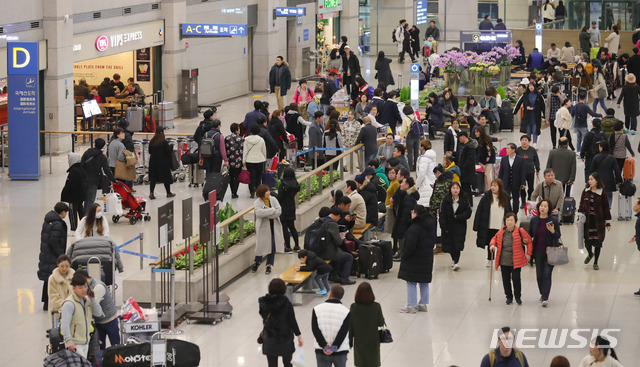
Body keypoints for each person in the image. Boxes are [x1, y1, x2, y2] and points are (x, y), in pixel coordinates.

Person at [490, 212, 532, 305]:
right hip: (504, 260)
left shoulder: (520, 231)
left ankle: (518, 296)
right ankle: (509, 296)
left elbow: (529, 241)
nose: (509, 222)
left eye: (511, 220)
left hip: (516, 260)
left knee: (516, 278)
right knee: (505, 280)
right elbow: (494, 239)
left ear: (515, 221)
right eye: (507, 220)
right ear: (505, 221)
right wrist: (492, 245)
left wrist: (528, 254)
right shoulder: (501, 232)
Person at [258, 278, 303, 367]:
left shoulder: (264, 302)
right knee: (287, 363)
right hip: (285, 338)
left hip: (269, 338)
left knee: (272, 365)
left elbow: (263, 315)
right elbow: (292, 320)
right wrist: (299, 335)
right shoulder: (286, 302)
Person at [398, 204, 434, 313]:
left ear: (416, 214)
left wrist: (404, 256)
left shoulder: (414, 228)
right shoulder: (430, 225)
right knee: (424, 281)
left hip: (414, 259)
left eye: (413, 212)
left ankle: (411, 305)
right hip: (427, 258)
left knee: (411, 281)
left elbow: (409, 246)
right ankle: (423, 304)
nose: (411, 214)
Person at [60, 272, 103, 358]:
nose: (84, 290)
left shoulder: (87, 301)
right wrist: (69, 341)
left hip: (85, 342)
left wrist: (93, 299)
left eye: (85, 287)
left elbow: (99, 313)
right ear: (74, 288)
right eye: (80, 288)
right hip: (75, 343)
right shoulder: (69, 304)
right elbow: (64, 325)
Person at [528, 200, 561, 307]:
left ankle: (545, 297)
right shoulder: (534, 220)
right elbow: (530, 235)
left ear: (549, 208)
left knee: (547, 274)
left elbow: (557, 236)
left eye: (545, 206)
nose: (543, 208)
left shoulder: (554, 220)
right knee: (539, 275)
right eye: (541, 206)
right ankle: (543, 293)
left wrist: (552, 231)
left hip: (551, 250)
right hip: (538, 250)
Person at [474, 179, 513, 266]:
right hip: (490, 224)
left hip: (501, 225)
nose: (493, 188)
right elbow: (479, 211)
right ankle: (490, 259)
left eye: (495, 186)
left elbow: (509, 212)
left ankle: (500, 259)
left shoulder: (505, 198)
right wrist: (476, 225)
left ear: (500, 187)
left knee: (502, 244)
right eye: (492, 185)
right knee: (490, 243)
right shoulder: (486, 197)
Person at [579, 172, 613, 271]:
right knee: (587, 243)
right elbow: (581, 205)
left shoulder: (602, 193)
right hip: (587, 221)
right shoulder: (585, 191)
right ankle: (590, 254)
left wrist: (608, 223)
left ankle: (595, 262)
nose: (589, 181)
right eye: (589, 179)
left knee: (598, 243)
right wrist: (579, 217)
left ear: (597, 181)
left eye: (591, 179)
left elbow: (606, 208)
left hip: (599, 221)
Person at [312, 284, 351, 366]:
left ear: (329, 294)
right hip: (340, 351)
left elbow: (315, 329)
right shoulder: (346, 312)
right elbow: (343, 332)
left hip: (322, 351)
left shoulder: (316, 309)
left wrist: (325, 346)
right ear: (341, 297)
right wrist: (334, 347)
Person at [80, 270, 120, 349]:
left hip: (109, 320)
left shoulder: (98, 286)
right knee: (99, 347)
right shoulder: (86, 287)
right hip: (98, 321)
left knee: (116, 347)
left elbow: (92, 304)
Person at [349, 282, 385, 367]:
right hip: (373, 340)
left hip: (359, 341)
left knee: (361, 362)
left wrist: (349, 342)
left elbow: (350, 326)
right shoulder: (376, 306)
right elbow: (381, 323)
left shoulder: (354, 307)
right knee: (373, 362)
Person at [317, 207, 356, 285]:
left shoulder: (318, 221)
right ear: (337, 216)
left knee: (339, 255)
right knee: (348, 256)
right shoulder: (332, 224)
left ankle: (333, 275)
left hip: (317, 250)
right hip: (326, 252)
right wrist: (341, 236)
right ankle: (345, 279)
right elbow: (338, 241)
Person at [251, 185, 284, 275]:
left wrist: (267, 212)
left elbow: (278, 211)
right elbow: (259, 213)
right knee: (260, 245)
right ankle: (257, 262)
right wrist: (272, 210)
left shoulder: (273, 199)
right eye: (266, 191)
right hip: (263, 227)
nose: (268, 193)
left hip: (273, 226)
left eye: (268, 190)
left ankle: (269, 265)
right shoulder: (257, 202)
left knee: (272, 246)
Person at [440, 182, 472, 270]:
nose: (455, 190)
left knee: (458, 244)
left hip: (460, 226)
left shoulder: (464, 199)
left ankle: (456, 262)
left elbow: (468, 212)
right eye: (453, 188)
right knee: (450, 245)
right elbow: (442, 215)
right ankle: (453, 259)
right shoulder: (445, 200)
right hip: (448, 226)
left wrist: (458, 216)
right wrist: (444, 227)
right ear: (450, 189)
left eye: (457, 188)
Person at [80, 138, 117, 213]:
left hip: (84, 179)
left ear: (94, 144)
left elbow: (81, 164)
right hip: (94, 180)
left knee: (85, 199)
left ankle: (84, 216)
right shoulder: (102, 157)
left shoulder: (87, 152)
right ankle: (87, 217)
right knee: (90, 200)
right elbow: (106, 170)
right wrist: (113, 179)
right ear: (103, 147)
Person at [589, 141, 621, 207]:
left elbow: (591, 170)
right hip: (610, 180)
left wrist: (590, 180)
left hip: (598, 180)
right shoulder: (612, 158)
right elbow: (617, 171)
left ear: (601, 148)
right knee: (609, 195)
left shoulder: (596, 157)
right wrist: (619, 181)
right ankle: (607, 209)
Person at [147, 126, 175, 199]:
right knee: (166, 178)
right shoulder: (164, 142)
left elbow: (149, 152)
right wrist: (171, 147)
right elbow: (169, 152)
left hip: (153, 162)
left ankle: (151, 193)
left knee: (153, 179)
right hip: (163, 163)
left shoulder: (152, 141)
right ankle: (168, 193)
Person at [277, 168, 301, 253]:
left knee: (284, 226)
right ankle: (297, 245)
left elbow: (280, 197)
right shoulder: (295, 183)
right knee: (292, 226)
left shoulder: (283, 184)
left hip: (284, 206)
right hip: (291, 205)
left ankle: (288, 246)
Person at [498, 143, 527, 212]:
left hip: (516, 182)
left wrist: (523, 182)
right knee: (506, 198)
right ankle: (508, 212)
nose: (506, 150)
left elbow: (523, 172)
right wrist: (499, 181)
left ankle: (515, 213)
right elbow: (501, 171)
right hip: (506, 182)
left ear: (513, 150)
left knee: (516, 199)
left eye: (508, 148)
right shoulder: (504, 159)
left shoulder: (520, 159)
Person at [60, 153, 85, 231]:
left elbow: (69, 185)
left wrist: (64, 195)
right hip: (81, 195)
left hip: (73, 196)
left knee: (72, 212)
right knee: (80, 210)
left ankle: (74, 228)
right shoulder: (81, 169)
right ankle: (84, 225)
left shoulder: (73, 171)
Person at [243, 124, 267, 198]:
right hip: (260, 160)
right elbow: (264, 150)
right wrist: (264, 158)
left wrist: (244, 161)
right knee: (258, 176)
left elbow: (245, 151)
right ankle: (258, 191)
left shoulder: (246, 140)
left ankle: (251, 191)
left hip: (249, 160)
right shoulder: (261, 139)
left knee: (251, 176)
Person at [517, 135, 540, 208]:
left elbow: (536, 160)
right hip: (520, 172)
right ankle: (523, 202)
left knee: (531, 187)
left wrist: (537, 169)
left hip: (530, 171)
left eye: (526, 140)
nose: (524, 142)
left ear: (529, 142)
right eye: (522, 140)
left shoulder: (532, 150)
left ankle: (529, 200)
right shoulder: (518, 150)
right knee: (522, 187)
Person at [457, 132, 479, 203]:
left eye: (459, 138)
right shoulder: (460, 145)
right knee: (463, 187)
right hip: (461, 169)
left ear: (463, 137)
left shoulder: (470, 147)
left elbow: (470, 160)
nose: (459, 140)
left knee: (467, 188)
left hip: (467, 171)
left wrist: (462, 167)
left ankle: (469, 203)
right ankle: (465, 202)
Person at [225, 123, 244, 199]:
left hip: (230, 161)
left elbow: (226, 150)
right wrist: (241, 161)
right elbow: (242, 151)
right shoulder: (240, 139)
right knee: (236, 177)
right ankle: (235, 192)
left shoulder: (227, 138)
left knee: (231, 176)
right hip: (238, 161)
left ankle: (232, 190)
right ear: (237, 130)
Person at [415, 140, 437, 207]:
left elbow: (422, 174)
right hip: (432, 181)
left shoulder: (424, 159)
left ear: (423, 147)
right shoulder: (432, 156)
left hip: (425, 184)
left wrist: (417, 185)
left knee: (424, 205)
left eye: (420, 146)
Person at [475, 126, 497, 193]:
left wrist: (485, 162)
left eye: (477, 132)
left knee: (487, 174)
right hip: (482, 159)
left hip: (489, 158)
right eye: (475, 132)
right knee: (485, 174)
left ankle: (489, 189)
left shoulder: (486, 140)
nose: (476, 133)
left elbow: (489, 152)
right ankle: (486, 189)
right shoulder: (477, 140)